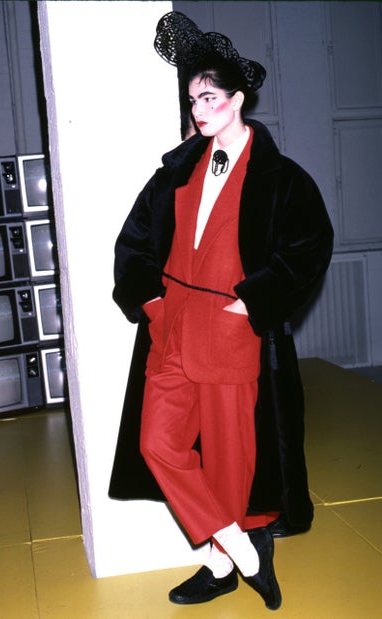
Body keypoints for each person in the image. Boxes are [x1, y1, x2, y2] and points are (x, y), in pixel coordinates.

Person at [109, 11, 333, 609]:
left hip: (231, 335)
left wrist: (251, 303)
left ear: (238, 100)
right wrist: (152, 302)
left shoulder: (282, 179)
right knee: (158, 443)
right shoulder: (176, 170)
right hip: (173, 327)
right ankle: (236, 545)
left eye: (209, 98)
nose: (199, 109)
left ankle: (219, 566)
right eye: (193, 99)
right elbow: (133, 243)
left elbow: (310, 247)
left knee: (233, 463)